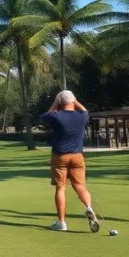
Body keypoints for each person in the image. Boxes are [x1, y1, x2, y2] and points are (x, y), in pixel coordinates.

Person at [39, 90, 99, 233]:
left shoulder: (56, 116)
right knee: (80, 186)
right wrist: (74, 100)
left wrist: (56, 102)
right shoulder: (82, 116)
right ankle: (88, 207)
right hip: (77, 156)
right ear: (73, 101)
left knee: (61, 188)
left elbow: (44, 117)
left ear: (60, 102)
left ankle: (62, 223)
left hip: (60, 156)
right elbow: (83, 109)